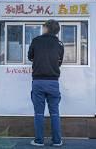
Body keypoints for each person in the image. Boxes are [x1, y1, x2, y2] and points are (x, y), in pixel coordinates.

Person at [28, 19, 64, 147]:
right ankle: (57, 141)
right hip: (53, 82)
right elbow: (59, 62)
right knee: (55, 112)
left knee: (38, 113)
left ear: (47, 28)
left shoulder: (36, 40)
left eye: (43, 27)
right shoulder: (59, 44)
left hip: (38, 81)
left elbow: (30, 57)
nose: (42, 28)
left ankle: (39, 141)